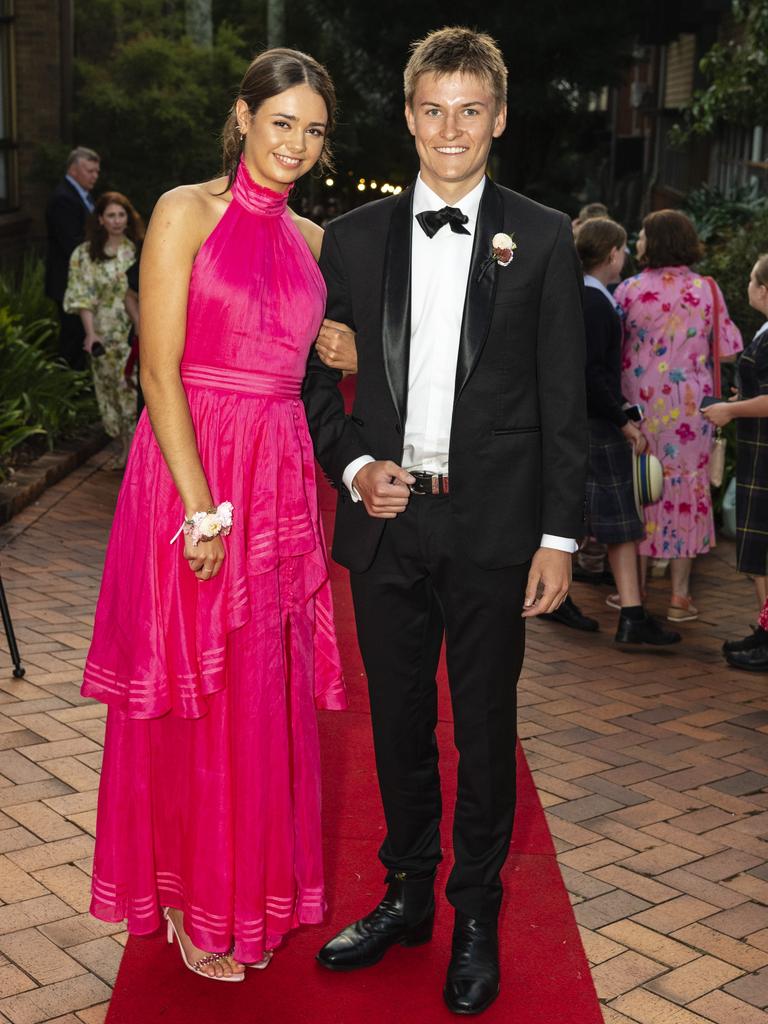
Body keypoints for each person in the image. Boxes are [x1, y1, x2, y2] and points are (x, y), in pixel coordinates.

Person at [303, 27, 587, 1015]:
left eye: (472, 109)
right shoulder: (349, 239)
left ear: (499, 117)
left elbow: (565, 399)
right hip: (386, 521)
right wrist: (352, 464)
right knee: (398, 721)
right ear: (411, 115)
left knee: (486, 721)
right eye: (434, 109)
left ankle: (475, 912)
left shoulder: (544, 237)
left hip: (495, 530)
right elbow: (315, 384)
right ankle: (408, 892)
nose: (451, 128)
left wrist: (558, 536)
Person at [81, 49, 345, 981]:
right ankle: (190, 897)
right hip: (195, 471)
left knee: (258, 693)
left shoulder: (314, 242)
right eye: (283, 123)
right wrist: (200, 513)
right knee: (194, 688)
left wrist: (335, 343)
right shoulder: (184, 210)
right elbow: (158, 370)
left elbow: (306, 348)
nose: (297, 145)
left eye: (314, 130)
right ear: (243, 116)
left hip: (278, 474)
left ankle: (244, 892)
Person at [616, 210, 742, 622]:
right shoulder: (707, 289)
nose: (636, 243)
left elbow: (609, 349)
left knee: (639, 490)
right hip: (691, 409)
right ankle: (679, 597)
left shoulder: (629, 290)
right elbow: (729, 347)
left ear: (656, 242)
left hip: (640, 406)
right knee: (686, 491)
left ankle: (631, 593)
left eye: (641, 236)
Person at [575, 217, 680, 645]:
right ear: (613, 253)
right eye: (624, 249)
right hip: (595, 422)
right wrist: (622, 420)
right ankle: (632, 616)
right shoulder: (594, 301)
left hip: (588, 418)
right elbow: (591, 372)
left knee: (583, 517)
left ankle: (624, 611)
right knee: (620, 520)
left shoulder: (591, 297)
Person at [705, 254, 768, 667]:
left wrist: (732, 411)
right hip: (757, 449)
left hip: (765, 455)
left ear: (763, 290)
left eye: (749, 278)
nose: (746, 286)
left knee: (763, 544)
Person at [64, 191, 144, 469]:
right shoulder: (84, 255)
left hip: (133, 332)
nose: (117, 220)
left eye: (122, 215)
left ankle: (133, 453)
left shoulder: (137, 250)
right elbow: (81, 296)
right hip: (102, 334)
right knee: (109, 392)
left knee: (131, 391)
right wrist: (90, 333)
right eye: (111, 215)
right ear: (100, 219)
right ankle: (124, 446)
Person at [45, 147, 101, 370]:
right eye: (90, 171)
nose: (95, 176)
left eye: (97, 171)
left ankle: (79, 379)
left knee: (80, 334)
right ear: (74, 169)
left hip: (80, 281)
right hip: (67, 282)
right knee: (72, 336)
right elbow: (72, 244)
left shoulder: (83, 195)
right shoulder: (63, 198)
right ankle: (68, 385)